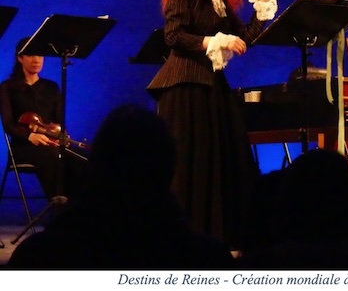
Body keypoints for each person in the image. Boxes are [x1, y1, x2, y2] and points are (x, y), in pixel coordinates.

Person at [146, 0, 277, 249]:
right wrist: (215, 42)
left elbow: (243, 38)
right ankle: (179, 237)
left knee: (225, 156)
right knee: (190, 162)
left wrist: (261, 7)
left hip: (210, 84)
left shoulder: (217, 0)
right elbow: (174, 35)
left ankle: (217, 236)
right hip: (185, 86)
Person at [7, 104, 234, 268]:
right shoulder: (210, 259)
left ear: (98, 166)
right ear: (169, 169)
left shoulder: (38, 256)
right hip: (29, 148)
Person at [0, 37, 87, 202]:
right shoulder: (7, 87)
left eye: (40, 55)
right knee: (53, 156)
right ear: (20, 58)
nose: (36, 60)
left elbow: (60, 122)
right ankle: (58, 207)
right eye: (31, 55)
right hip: (23, 147)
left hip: (50, 144)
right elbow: (8, 124)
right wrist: (29, 136)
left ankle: (80, 206)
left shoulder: (51, 87)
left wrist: (63, 136)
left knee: (79, 158)